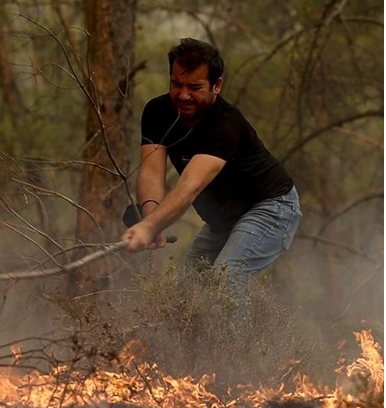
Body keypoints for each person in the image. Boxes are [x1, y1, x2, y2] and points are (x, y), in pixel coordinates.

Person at [121, 38, 302, 329]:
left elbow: (189, 187)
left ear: (216, 86)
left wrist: (149, 227)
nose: (183, 95)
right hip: (223, 221)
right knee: (189, 292)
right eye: (177, 84)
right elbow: (152, 172)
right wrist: (152, 218)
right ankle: (189, 371)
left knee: (226, 279)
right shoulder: (157, 112)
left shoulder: (225, 124)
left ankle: (237, 369)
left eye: (195, 87)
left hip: (272, 208)